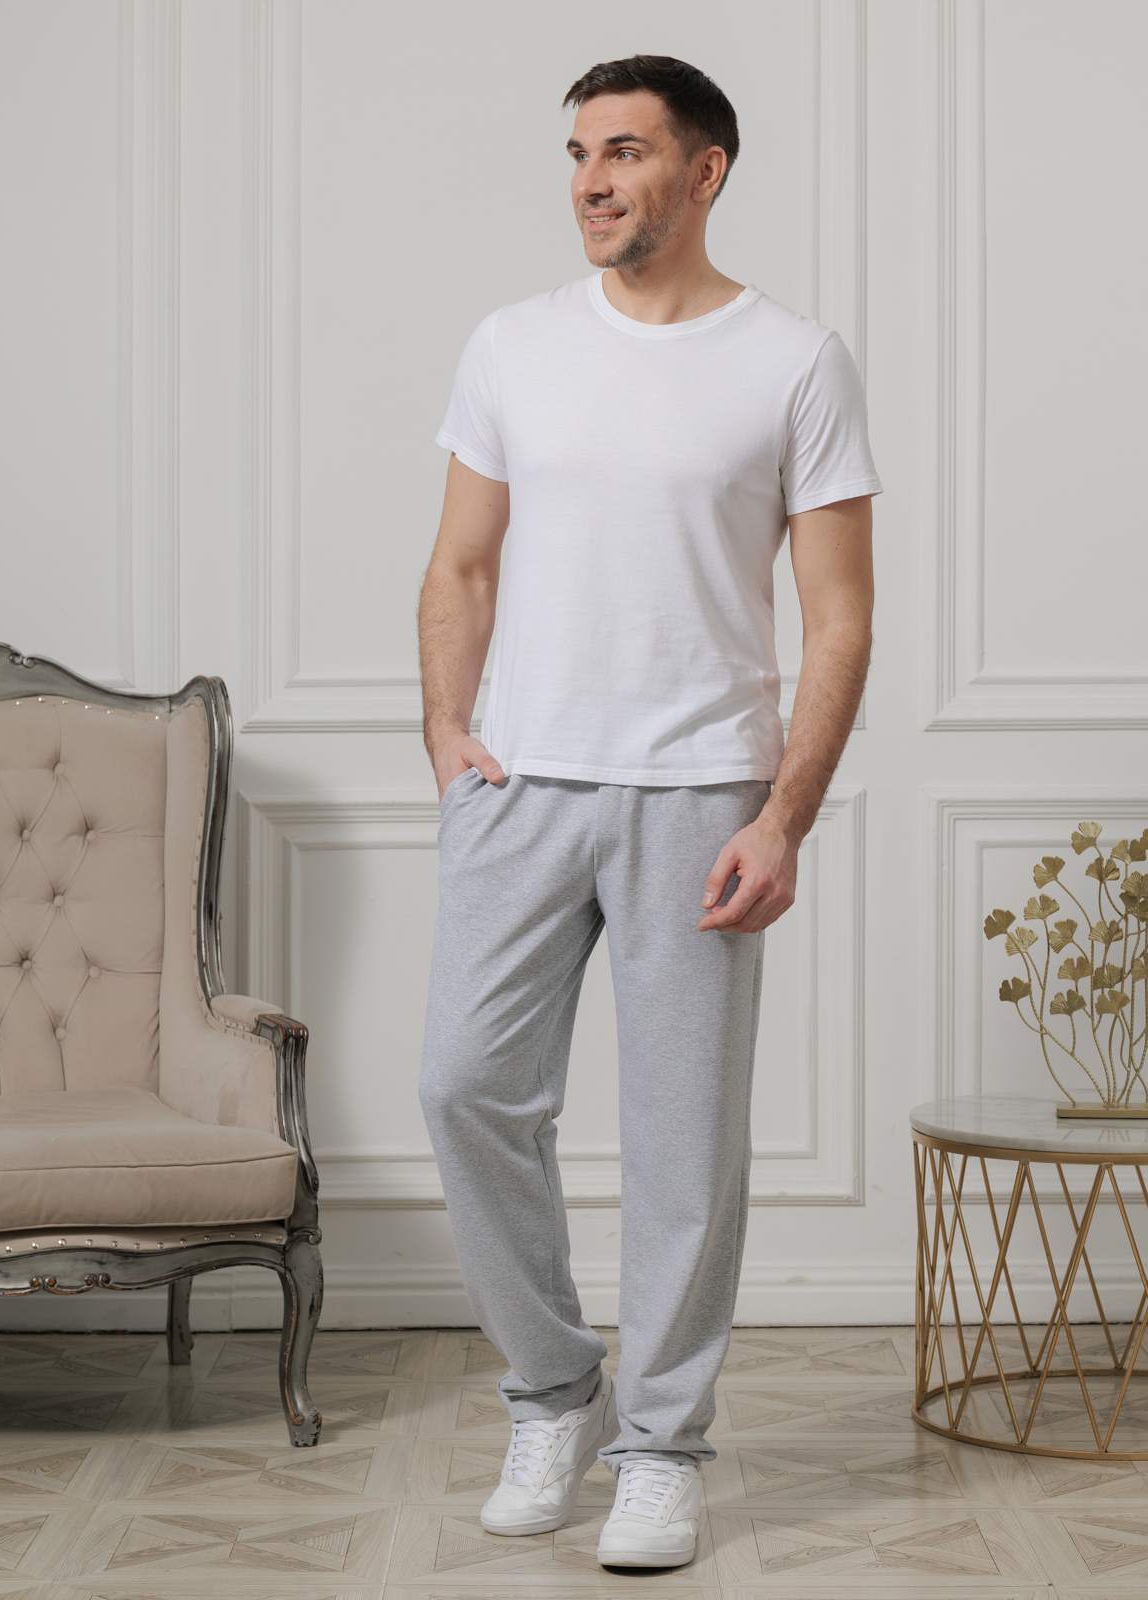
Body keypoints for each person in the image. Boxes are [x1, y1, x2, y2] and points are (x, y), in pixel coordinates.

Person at [416, 54, 880, 1571]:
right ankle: (556, 1391)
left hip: (703, 795)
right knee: (464, 1088)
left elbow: (840, 616)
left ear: (705, 169)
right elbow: (461, 562)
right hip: (522, 786)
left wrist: (785, 816)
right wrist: (446, 734)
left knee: (684, 1148)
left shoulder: (795, 362)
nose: (591, 182)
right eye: (577, 154)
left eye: (622, 152)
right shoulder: (513, 344)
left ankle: (662, 1448)